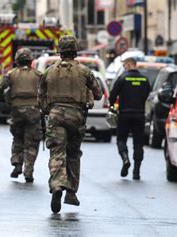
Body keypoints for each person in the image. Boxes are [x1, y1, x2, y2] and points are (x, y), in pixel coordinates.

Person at [38, 35, 102, 214]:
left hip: (55, 115)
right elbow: (98, 94)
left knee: (57, 152)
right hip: (76, 116)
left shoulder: (49, 71)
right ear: (75, 50)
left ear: (60, 51)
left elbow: (41, 97)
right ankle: (71, 193)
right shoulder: (84, 71)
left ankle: (57, 185)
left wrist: (47, 111)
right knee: (73, 153)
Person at [0, 48, 42, 183]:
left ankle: (17, 164)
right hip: (34, 111)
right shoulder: (38, 74)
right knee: (32, 142)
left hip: (16, 111)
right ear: (31, 60)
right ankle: (28, 170)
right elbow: (45, 91)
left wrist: (1, 101)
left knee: (17, 138)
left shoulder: (11, 74)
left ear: (17, 60)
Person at [109, 57, 151, 180]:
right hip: (139, 114)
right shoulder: (144, 79)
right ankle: (136, 172)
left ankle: (125, 159)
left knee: (121, 140)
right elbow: (147, 94)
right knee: (138, 144)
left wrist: (112, 106)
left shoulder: (122, 78)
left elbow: (112, 95)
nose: (124, 68)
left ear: (129, 64)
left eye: (124, 65)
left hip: (124, 114)